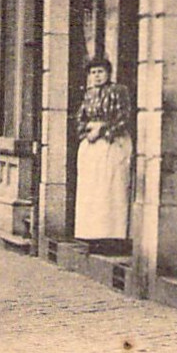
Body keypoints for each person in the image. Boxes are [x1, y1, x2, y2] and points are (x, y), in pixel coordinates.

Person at [73, 56, 134, 245]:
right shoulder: (89, 94)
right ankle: (91, 235)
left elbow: (125, 116)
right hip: (92, 145)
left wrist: (104, 129)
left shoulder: (119, 91)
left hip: (112, 143)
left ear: (108, 73)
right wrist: (87, 131)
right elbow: (80, 118)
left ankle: (112, 236)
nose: (97, 76)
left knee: (111, 188)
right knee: (92, 190)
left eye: (100, 72)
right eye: (93, 72)